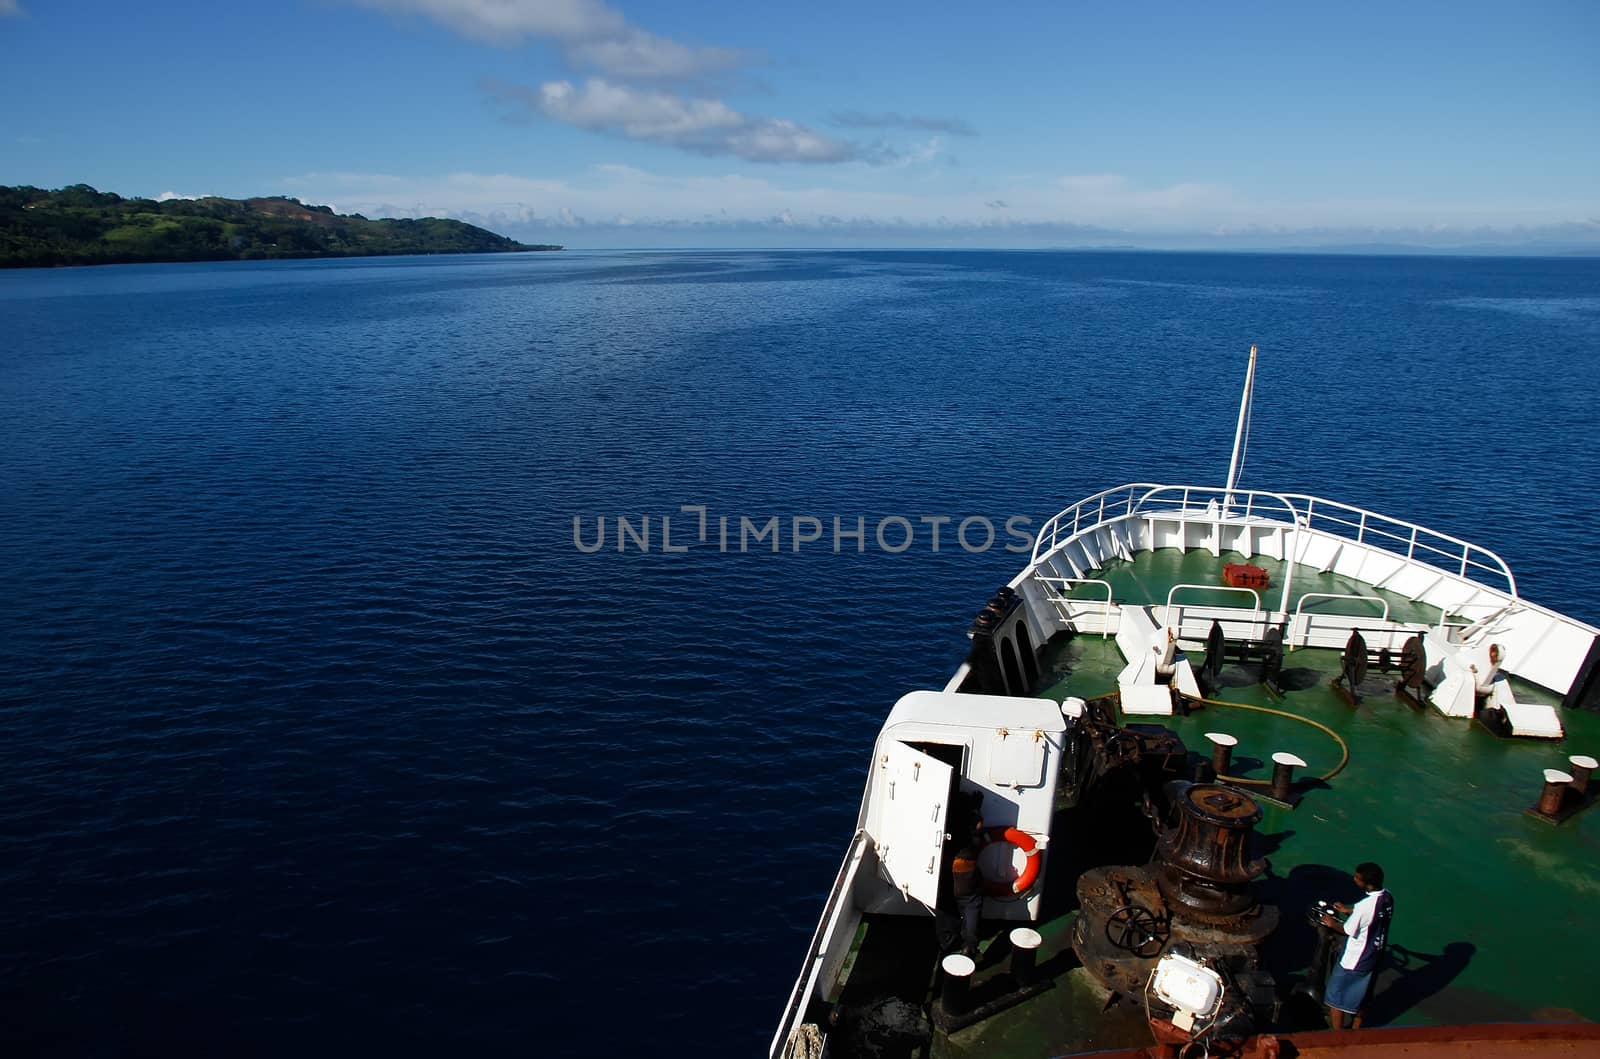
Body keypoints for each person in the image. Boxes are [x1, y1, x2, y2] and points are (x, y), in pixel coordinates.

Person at [1320, 862, 1394, 1030]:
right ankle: (1356, 1031)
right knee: (1362, 998)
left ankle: (1337, 1035)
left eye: (1357, 878)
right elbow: (1371, 915)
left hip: (1354, 961)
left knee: (1335, 998)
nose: (1354, 879)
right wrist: (1349, 911)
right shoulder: (1388, 897)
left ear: (1366, 883)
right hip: (1373, 957)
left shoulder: (1363, 907)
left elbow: (1346, 929)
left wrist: (1331, 923)